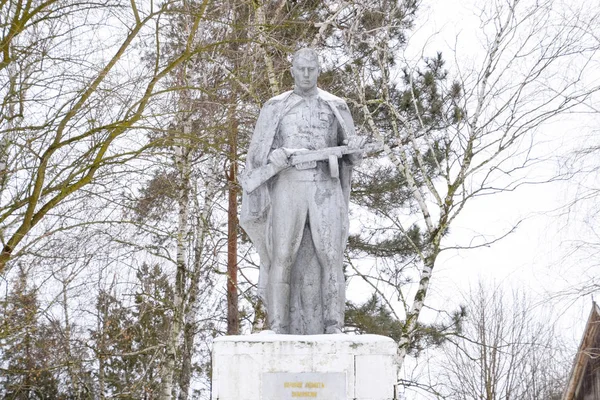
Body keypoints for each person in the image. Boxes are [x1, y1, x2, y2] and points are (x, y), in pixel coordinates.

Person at [240, 48, 364, 334]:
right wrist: (274, 158)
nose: (306, 74)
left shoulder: (336, 105)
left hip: (325, 184)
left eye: (311, 68)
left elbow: (351, 156)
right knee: (282, 254)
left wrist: (356, 152)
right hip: (288, 184)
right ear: (292, 70)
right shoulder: (275, 106)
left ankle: (334, 325)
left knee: (331, 255)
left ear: (319, 70)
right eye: (301, 68)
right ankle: (278, 326)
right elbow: (256, 158)